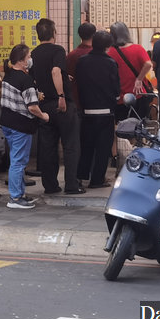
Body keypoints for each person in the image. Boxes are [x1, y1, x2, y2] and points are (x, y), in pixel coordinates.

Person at [30, 17, 84, 195]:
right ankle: (71, 184)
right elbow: (54, 71)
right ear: (54, 33)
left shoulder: (34, 53)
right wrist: (61, 95)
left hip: (44, 105)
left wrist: (62, 76)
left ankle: (50, 185)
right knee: (70, 145)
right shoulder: (58, 50)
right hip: (62, 105)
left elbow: (38, 77)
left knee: (48, 147)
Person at [0, 43, 49, 208]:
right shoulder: (25, 79)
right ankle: (15, 198)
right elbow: (32, 107)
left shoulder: (8, 76)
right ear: (21, 61)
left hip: (7, 123)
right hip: (20, 125)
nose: (30, 60)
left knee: (16, 159)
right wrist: (44, 116)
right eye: (28, 57)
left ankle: (20, 193)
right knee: (18, 162)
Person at [75, 31, 120, 189]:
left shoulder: (82, 61)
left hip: (87, 110)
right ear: (108, 46)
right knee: (103, 147)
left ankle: (80, 177)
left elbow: (79, 84)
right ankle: (97, 180)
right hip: (105, 111)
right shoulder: (111, 63)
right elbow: (116, 89)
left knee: (86, 146)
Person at [108, 22, 153, 122]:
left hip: (119, 98)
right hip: (138, 95)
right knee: (138, 127)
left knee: (121, 128)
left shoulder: (109, 52)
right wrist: (139, 79)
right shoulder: (138, 48)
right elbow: (148, 64)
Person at [65, 22, 96, 106]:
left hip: (76, 99)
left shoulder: (71, 56)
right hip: (96, 100)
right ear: (94, 35)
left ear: (79, 35)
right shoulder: (98, 55)